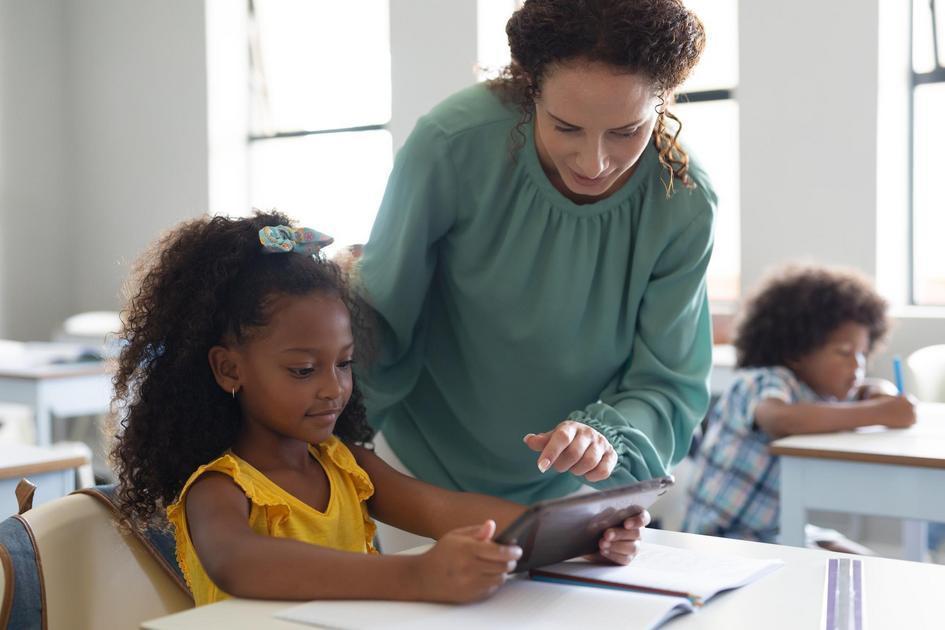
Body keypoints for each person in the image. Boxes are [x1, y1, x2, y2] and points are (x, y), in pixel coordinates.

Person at [109, 211, 646, 607]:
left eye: (343, 364)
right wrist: (414, 578)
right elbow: (239, 563)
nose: (332, 389)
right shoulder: (219, 488)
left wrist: (583, 534)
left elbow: (445, 510)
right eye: (303, 370)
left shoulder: (347, 464)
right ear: (229, 369)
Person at [353, 0, 715, 535]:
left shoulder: (682, 199)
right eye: (566, 127)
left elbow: (666, 384)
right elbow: (379, 318)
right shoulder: (452, 144)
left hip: (566, 493)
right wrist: (331, 451)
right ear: (530, 89)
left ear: (664, 105)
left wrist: (602, 440)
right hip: (413, 472)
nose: (594, 162)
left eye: (626, 131)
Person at [681, 266, 916, 546]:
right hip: (723, 537)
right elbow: (781, 420)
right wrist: (878, 413)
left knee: (860, 563)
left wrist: (882, 394)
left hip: (776, 530)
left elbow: (868, 389)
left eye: (863, 354)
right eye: (844, 353)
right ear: (796, 350)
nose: (857, 366)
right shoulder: (762, 380)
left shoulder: (819, 393)